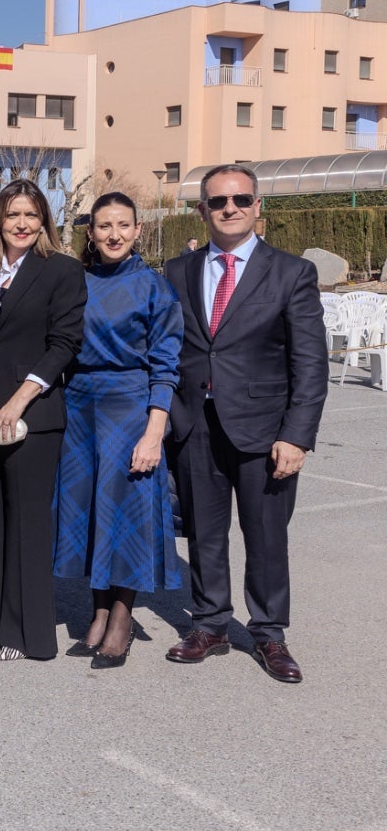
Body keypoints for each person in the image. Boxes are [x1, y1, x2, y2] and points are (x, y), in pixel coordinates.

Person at [162, 164, 327, 683]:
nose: (228, 208)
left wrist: (297, 435)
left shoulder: (291, 273)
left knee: (266, 536)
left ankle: (269, 634)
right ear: (203, 210)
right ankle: (209, 623)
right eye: (217, 201)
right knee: (205, 535)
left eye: (239, 199)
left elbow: (311, 363)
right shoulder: (177, 272)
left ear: (258, 207)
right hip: (196, 426)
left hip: (265, 429)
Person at [51, 193, 184, 669]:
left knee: (124, 516)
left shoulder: (154, 288)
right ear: (90, 232)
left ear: (137, 230)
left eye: (123, 225)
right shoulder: (77, 281)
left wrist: (154, 433)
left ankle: (121, 621)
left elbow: (167, 367)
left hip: (130, 406)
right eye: (104, 226)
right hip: (80, 406)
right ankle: (97, 611)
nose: (113, 234)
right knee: (91, 515)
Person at [0, 179, 86, 662]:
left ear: (44, 221)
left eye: (31, 215)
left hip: (32, 412)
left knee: (28, 521)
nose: (22, 224)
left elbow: (64, 343)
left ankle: (26, 632)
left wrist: (16, 403)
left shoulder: (62, 271)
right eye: (13, 214)